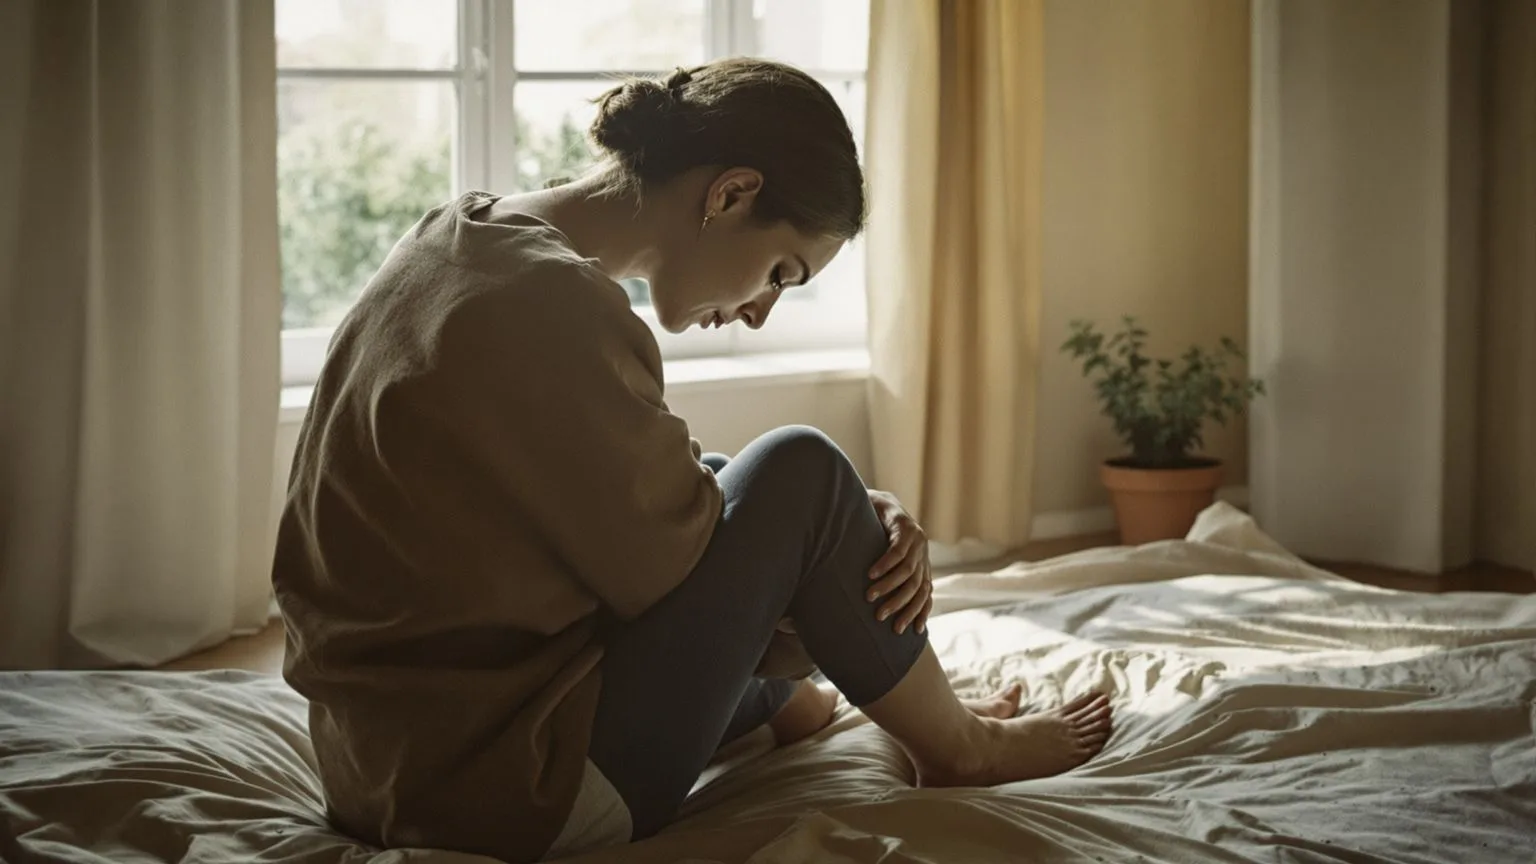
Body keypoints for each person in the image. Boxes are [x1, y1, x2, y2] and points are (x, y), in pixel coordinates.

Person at [271, 58, 1113, 864]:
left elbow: (626, 498)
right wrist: (840, 525)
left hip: (376, 766)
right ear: (731, 193)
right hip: (505, 792)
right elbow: (694, 566)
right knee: (804, 470)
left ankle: (797, 712)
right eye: (780, 272)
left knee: (745, 486)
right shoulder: (554, 309)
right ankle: (959, 747)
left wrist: (834, 529)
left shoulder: (461, 241)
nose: (758, 314)